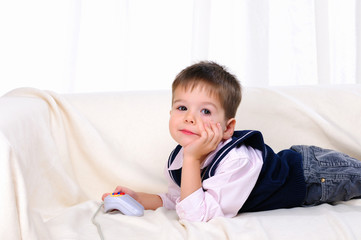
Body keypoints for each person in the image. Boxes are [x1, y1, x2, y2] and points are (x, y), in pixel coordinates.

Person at [102, 61, 361, 222]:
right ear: (170, 113)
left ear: (228, 128)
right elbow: (180, 200)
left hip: (314, 175)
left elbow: (196, 215)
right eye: (182, 108)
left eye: (205, 111)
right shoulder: (181, 157)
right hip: (306, 166)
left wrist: (193, 160)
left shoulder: (236, 160)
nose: (190, 118)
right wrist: (139, 198)